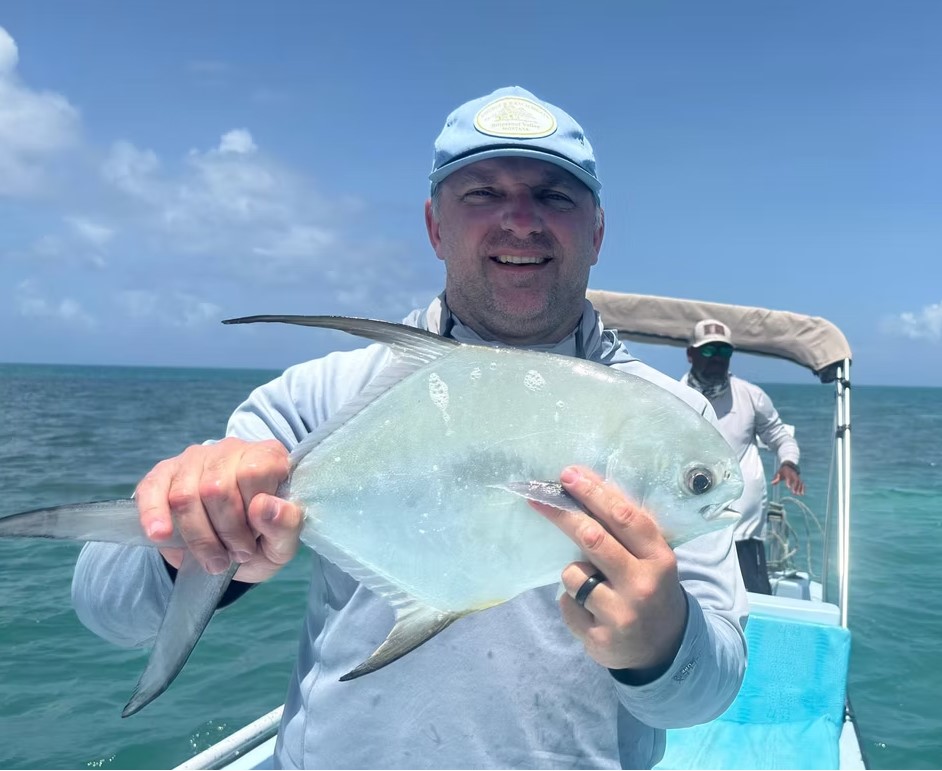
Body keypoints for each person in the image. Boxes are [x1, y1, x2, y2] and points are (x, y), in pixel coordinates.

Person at [72, 86, 747, 769]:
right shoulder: (322, 397)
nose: (521, 220)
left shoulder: (670, 422)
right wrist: (187, 539)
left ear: (597, 232)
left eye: (555, 196)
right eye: (482, 193)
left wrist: (661, 643)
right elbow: (106, 607)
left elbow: (709, 690)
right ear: (434, 226)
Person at [681, 318, 805, 595]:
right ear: (691, 354)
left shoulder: (751, 396)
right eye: (709, 351)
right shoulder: (674, 396)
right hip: (689, 533)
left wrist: (788, 462)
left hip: (744, 534)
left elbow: (780, 437)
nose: (717, 359)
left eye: (724, 352)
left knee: (756, 604)